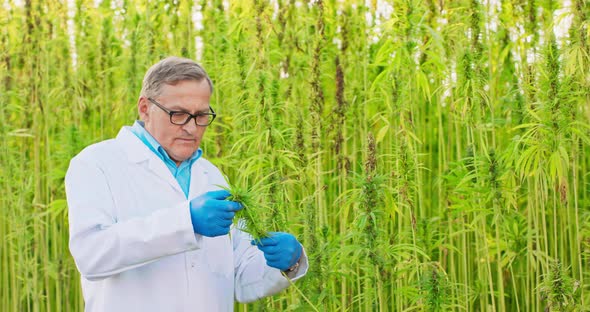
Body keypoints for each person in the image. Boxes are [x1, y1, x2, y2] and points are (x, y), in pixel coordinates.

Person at [65, 56, 308, 312]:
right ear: (145, 108)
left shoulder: (213, 177)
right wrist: (185, 222)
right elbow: (91, 255)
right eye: (178, 114)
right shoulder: (96, 164)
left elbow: (240, 279)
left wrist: (284, 263)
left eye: (201, 115)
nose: (191, 128)